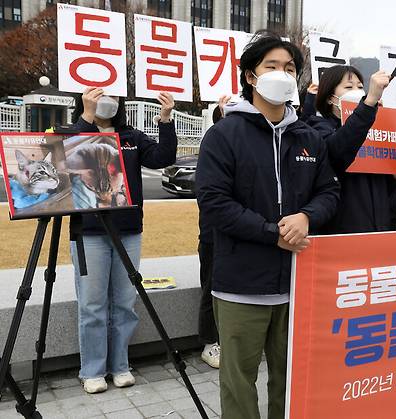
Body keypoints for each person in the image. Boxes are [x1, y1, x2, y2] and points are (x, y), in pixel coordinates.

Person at [195, 33, 340, 419]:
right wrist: (272, 232)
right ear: (250, 76)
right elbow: (214, 204)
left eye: (290, 68)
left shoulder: (308, 137)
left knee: (291, 378)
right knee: (239, 382)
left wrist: (307, 216)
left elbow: (329, 192)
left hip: (299, 284)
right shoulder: (224, 134)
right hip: (241, 283)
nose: (282, 74)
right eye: (271, 67)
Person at [70, 88, 177, 394]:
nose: (107, 100)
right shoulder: (77, 130)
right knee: (92, 304)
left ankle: (120, 365)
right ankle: (91, 369)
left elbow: (163, 157)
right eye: (99, 93)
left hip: (128, 230)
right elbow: (72, 152)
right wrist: (87, 117)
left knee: (125, 302)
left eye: (114, 95)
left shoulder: (131, 136)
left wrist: (166, 119)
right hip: (89, 232)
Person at [305, 65, 396, 233]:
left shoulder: (379, 131)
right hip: (341, 233)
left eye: (361, 87)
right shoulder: (317, 128)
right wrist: (369, 103)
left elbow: (386, 194)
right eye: (348, 87)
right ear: (329, 98)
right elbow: (338, 153)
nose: (357, 91)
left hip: (379, 230)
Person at [197, 94, 232, 369]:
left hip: (245, 236)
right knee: (211, 287)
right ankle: (211, 342)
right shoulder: (216, 139)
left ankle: (227, 339)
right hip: (214, 233)